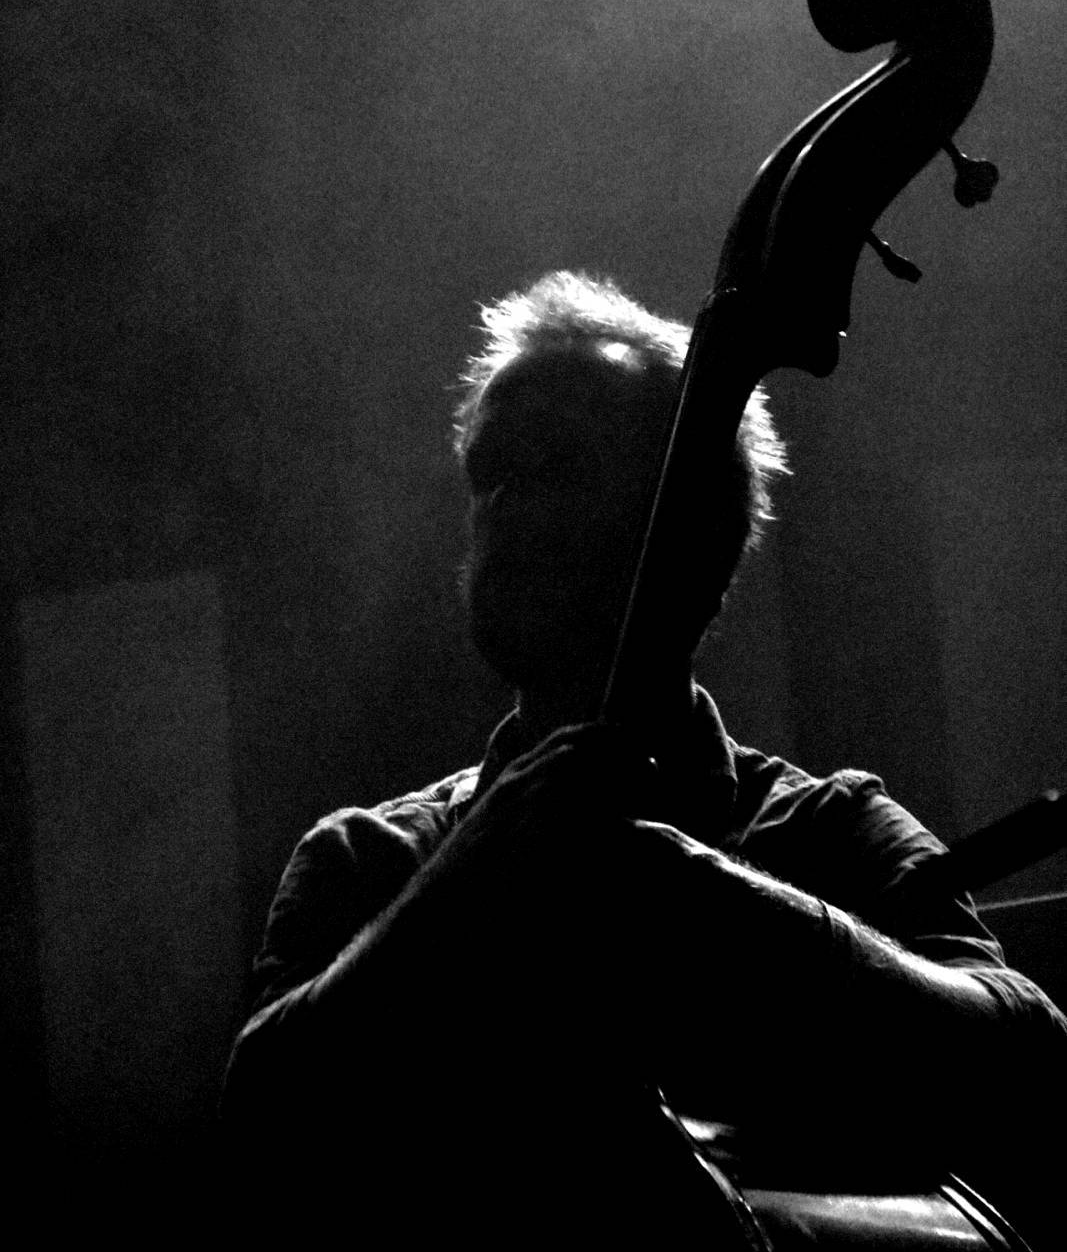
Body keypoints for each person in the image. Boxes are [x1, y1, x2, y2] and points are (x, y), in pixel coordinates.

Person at [222, 270, 1064, 1245]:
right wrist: (465, 876)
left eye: (558, 465)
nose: (507, 506)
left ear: (696, 532)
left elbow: (1033, 1066)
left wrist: (708, 893)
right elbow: (259, 1137)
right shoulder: (367, 859)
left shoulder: (831, 827)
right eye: (490, 473)